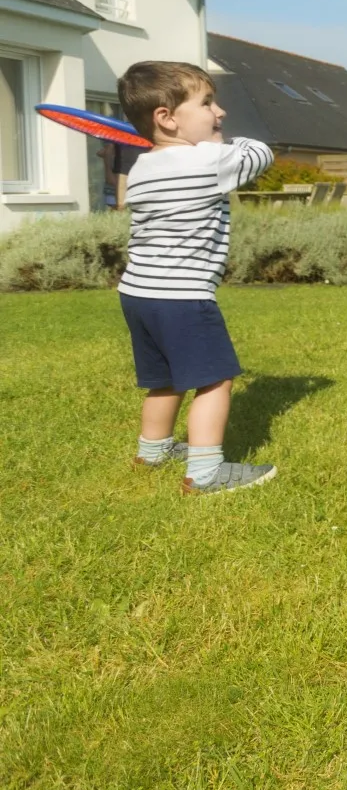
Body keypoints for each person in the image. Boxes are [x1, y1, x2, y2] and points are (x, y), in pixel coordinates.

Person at [116, 60, 276, 493]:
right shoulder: (206, 160)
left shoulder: (141, 167)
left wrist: (211, 136)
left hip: (138, 293)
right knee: (214, 379)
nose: (219, 112)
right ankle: (205, 474)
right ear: (166, 118)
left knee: (165, 377)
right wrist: (228, 141)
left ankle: (153, 451)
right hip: (182, 294)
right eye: (207, 103)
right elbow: (262, 153)